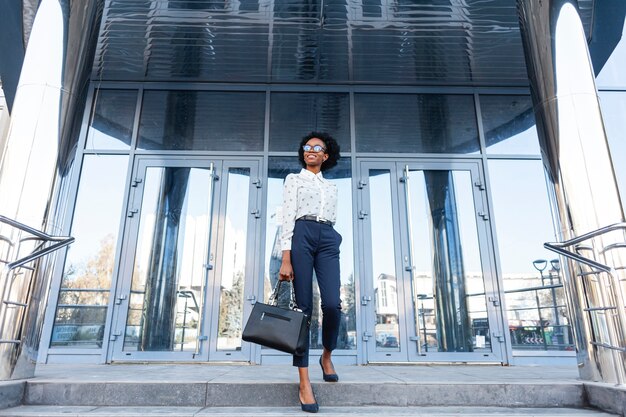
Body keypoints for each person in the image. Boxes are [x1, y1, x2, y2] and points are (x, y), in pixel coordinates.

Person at [279, 132, 342, 413]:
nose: (311, 150)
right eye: (307, 147)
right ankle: (304, 381)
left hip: (327, 236)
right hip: (301, 234)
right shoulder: (294, 180)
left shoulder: (333, 188)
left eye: (317, 148)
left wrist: (330, 236)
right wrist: (286, 258)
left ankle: (326, 354)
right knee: (304, 309)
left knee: (332, 304)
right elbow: (286, 216)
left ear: (326, 156)